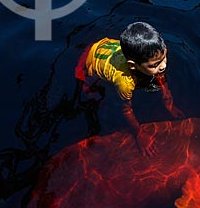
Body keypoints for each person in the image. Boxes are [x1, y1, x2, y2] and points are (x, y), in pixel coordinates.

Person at [74, 22, 185, 156]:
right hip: (89, 62)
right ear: (133, 66)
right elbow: (126, 110)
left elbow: (160, 75)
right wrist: (140, 133)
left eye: (164, 57)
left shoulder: (151, 58)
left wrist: (168, 102)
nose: (163, 66)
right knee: (92, 96)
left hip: (105, 46)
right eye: (155, 64)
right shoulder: (125, 82)